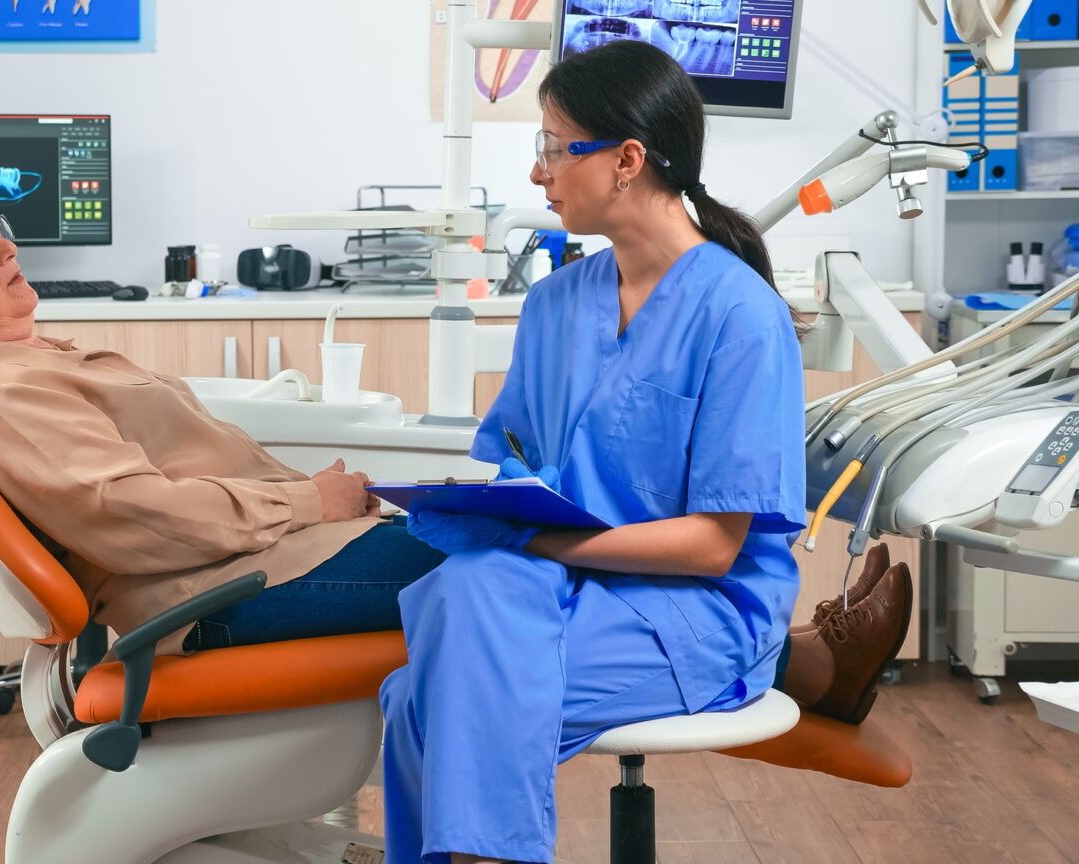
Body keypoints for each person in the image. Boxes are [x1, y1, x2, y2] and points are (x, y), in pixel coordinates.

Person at [0, 175, 905, 722]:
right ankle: (801, 663)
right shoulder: (6, 392)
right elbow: (134, 513)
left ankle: (793, 657)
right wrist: (310, 502)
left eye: (1, 230)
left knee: (517, 533)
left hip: (249, 566)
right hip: (215, 599)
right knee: (506, 553)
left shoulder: (29, 361)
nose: (9, 251)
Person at [376, 40, 909, 864]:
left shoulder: (740, 316)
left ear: (627, 160)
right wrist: (507, 520)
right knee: (466, 595)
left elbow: (711, 545)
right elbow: (524, 471)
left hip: (689, 608)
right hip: (555, 586)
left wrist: (538, 539)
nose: (537, 174)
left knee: (429, 692)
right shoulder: (554, 307)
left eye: (555, 149)